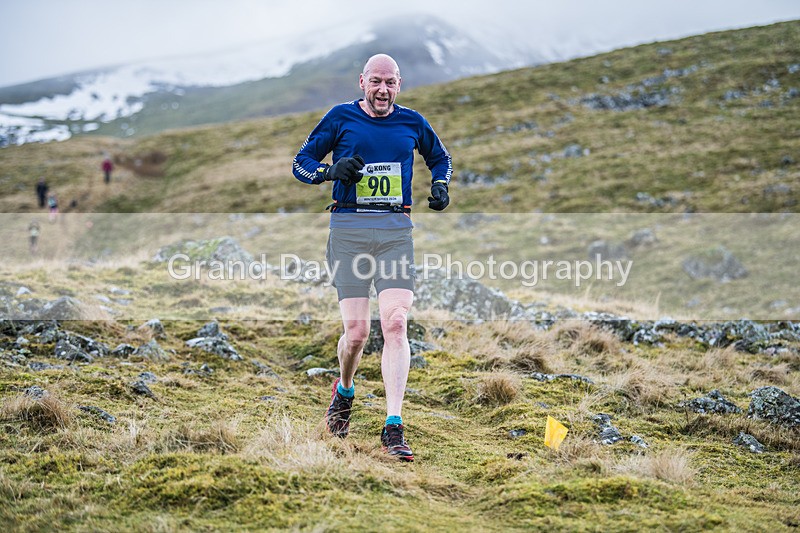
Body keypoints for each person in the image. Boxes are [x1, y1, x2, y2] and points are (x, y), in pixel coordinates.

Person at [292, 53, 452, 462]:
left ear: (399, 84)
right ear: (362, 81)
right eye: (376, 81)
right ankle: (344, 391)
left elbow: (441, 158)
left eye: (391, 83)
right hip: (348, 232)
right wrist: (331, 172)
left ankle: (393, 426)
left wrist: (440, 186)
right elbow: (301, 164)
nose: (383, 90)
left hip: (395, 231)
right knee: (358, 333)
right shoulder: (340, 117)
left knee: (396, 322)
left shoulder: (412, 122)